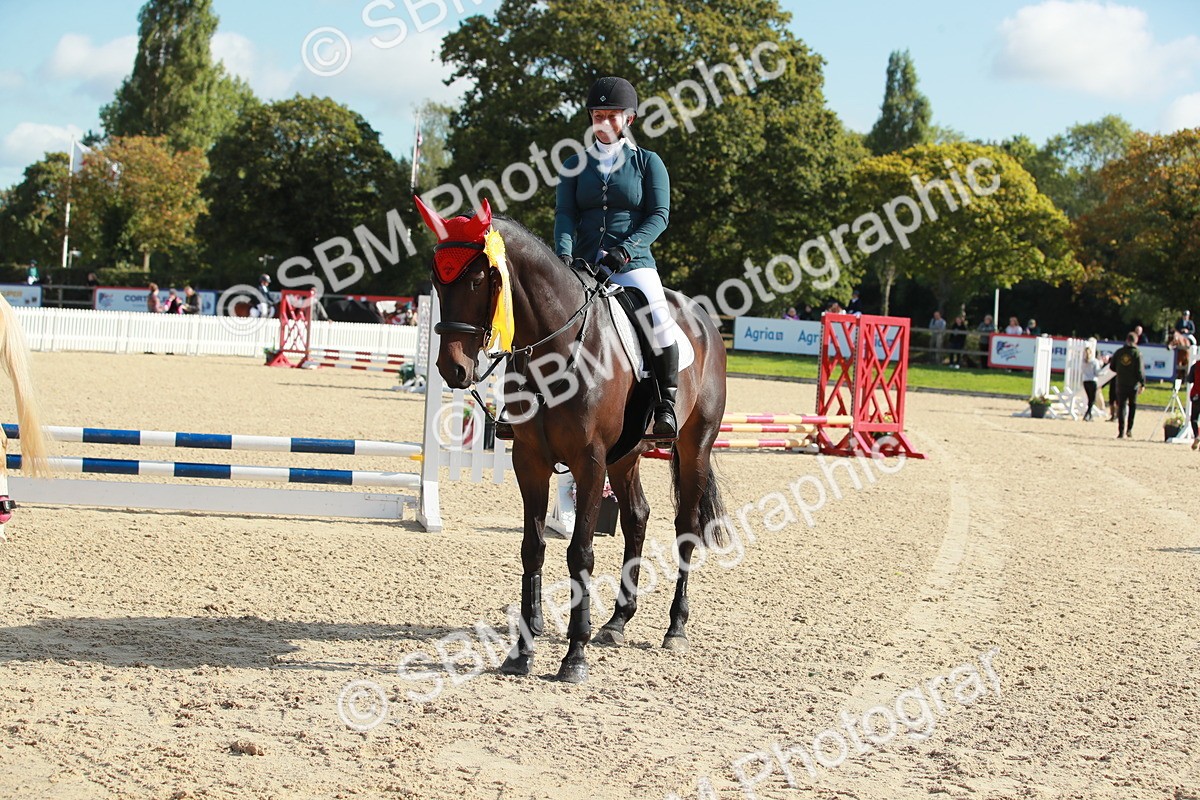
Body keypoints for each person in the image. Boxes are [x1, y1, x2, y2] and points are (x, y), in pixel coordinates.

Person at [554, 76, 676, 439]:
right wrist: (563, 255)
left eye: (612, 114)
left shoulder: (647, 162)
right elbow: (565, 215)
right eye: (598, 114)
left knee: (657, 314)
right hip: (585, 265)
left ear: (629, 120)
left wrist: (625, 250)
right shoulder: (574, 164)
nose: (604, 121)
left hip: (632, 265)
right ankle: (524, 401)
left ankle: (664, 404)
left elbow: (659, 215)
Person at [1110, 333, 1145, 439]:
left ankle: (1120, 431)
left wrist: (1121, 372)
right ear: (1136, 341)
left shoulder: (1119, 352)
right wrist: (1142, 383)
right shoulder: (1137, 353)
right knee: (1132, 406)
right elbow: (1140, 370)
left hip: (1121, 383)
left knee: (1121, 407)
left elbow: (1112, 367)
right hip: (1132, 384)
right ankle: (1129, 429)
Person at [1081, 346, 1103, 421]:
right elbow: (1097, 373)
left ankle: (1089, 415)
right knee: (1092, 399)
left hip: (1085, 381)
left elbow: (1083, 371)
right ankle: (1088, 414)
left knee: (1089, 398)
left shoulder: (1083, 362)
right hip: (1092, 381)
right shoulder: (1094, 362)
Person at [1187, 356, 1200, 450]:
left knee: (1194, 418)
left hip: (1196, 394)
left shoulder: (1195, 366)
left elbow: (1189, 379)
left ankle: (1197, 435)